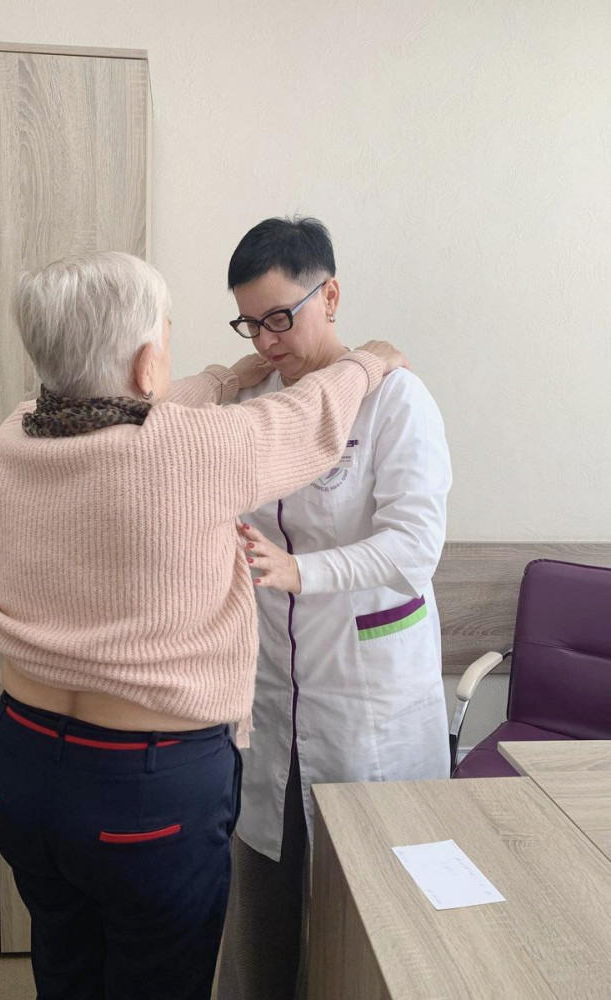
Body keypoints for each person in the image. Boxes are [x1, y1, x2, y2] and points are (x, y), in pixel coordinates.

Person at [0, 249, 404, 1000]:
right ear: (149, 364)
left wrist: (223, 378)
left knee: (66, 962)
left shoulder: (13, 436)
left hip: (20, 768)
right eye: (166, 339)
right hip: (143, 792)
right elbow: (304, 418)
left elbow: (134, 403)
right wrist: (367, 362)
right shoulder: (192, 452)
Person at [216, 218, 452, 1000]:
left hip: (367, 704)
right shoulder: (257, 405)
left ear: (332, 296)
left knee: (374, 921)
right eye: (251, 322)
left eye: (280, 317)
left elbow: (413, 548)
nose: (267, 339)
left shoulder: (394, 402)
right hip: (273, 698)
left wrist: (300, 571)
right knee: (269, 908)